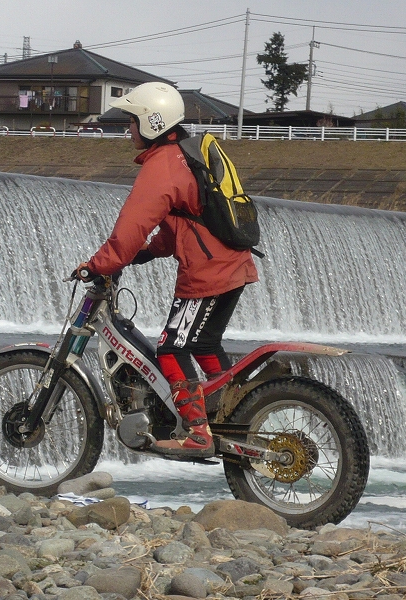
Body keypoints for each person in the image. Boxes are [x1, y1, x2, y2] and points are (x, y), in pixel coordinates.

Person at [75, 82, 258, 458]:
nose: (129, 130)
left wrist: (99, 265)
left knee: (170, 349)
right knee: (204, 343)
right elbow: (184, 224)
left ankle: (197, 432)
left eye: (132, 122)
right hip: (233, 265)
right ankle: (234, 414)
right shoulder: (183, 155)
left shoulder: (162, 166)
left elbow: (130, 228)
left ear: (150, 123)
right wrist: (145, 253)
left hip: (209, 273)